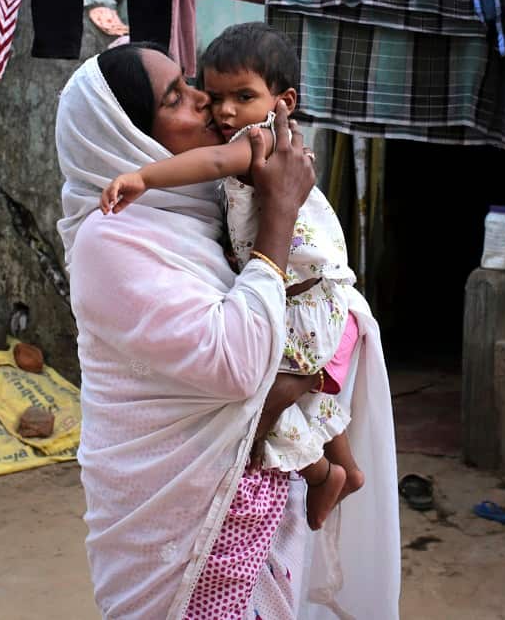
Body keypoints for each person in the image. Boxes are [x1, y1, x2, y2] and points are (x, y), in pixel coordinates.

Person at [56, 38, 400, 619]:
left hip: (253, 506)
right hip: (182, 527)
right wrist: (282, 211)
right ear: (129, 135)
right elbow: (239, 366)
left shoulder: (202, 211)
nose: (208, 103)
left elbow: (286, 344)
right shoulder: (111, 237)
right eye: (179, 97)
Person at [100, 24, 366, 532]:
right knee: (305, 393)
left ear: (283, 100)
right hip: (313, 294)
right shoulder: (269, 140)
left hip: (302, 303)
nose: (223, 111)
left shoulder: (257, 141)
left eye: (243, 97)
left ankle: (320, 473)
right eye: (216, 95)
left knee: (265, 398)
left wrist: (143, 176)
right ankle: (347, 469)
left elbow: (215, 159)